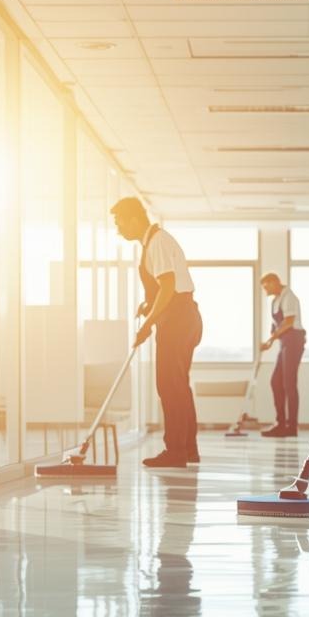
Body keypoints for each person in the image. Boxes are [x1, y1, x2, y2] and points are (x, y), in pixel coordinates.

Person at [113, 196, 201, 467]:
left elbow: (168, 286)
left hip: (178, 319)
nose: (119, 230)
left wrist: (148, 323)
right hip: (183, 317)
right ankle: (187, 450)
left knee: (169, 386)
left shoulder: (157, 241)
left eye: (120, 223)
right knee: (178, 386)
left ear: (134, 219)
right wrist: (148, 307)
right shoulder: (153, 242)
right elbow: (163, 289)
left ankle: (175, 452)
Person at [258, 272, 305, 438]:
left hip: (294, 341)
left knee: (289, 383)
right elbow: (277, 324)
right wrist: (269, 341)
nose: (265, 290)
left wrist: (271, 340)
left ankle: (291, 427)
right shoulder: (275, 300)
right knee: (276, 382)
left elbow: (289, 322)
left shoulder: (289, 296)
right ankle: (280, 423)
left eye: (266, 286)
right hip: (285, 343)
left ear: (274, 282)